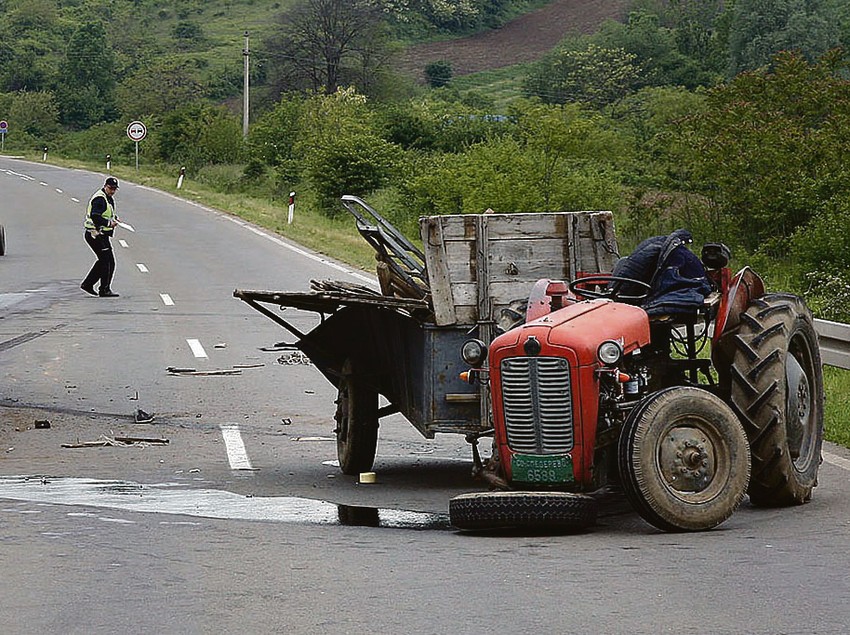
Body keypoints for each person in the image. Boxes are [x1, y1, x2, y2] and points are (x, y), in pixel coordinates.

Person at [81, 177, 121, 297]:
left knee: (106, 261)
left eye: (114, 189)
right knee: (108, 261)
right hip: (96, 234)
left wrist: (114, 218)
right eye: (110, 188)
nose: (112, 191)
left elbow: (106, 213)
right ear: (105, 186)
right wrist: (109, 223)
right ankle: (103, 289)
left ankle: (89, 284)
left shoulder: (107, 198)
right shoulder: (100, 199)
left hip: (101, 234)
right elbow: (95, 216)